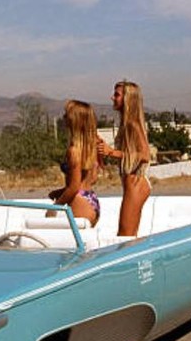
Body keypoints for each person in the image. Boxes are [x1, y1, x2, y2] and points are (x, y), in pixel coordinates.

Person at [97, 80, 151, 236]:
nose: (112, 98)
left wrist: (112, 152)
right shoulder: (126, 124)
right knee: (129, 235)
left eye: (117, 95)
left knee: (125, 235)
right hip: (132, 182)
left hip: (136, 182)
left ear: (127, 99)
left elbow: (145, 155)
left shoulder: (132, 125)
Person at [48, 100, 100, 226]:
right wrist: (60, 192)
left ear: (74, 120)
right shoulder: (91, 147)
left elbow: (74, 187)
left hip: (78, 200)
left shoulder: (74, 151)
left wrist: (55, 207)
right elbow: (93, 178)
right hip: (90, 199)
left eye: (67, 115)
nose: (64, 117)